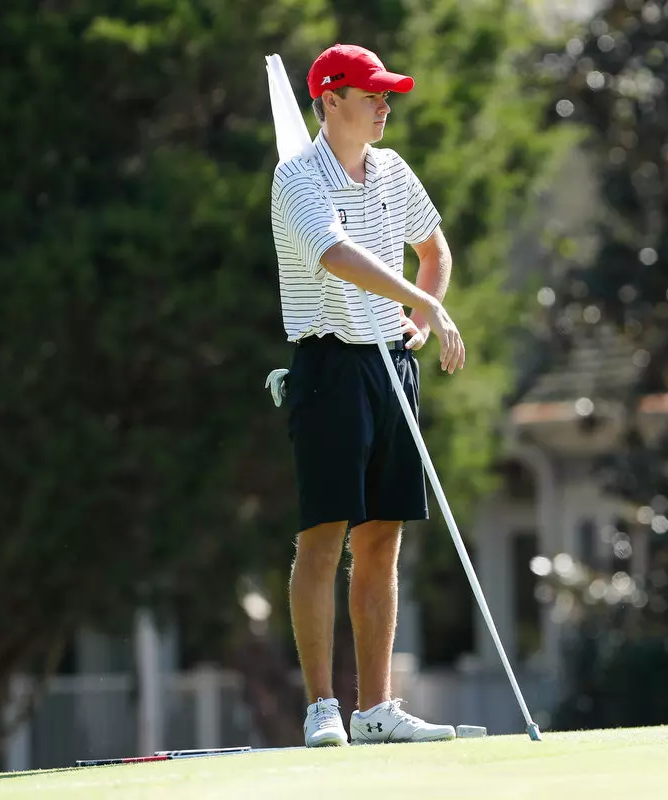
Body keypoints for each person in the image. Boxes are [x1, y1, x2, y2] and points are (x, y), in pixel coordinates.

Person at [268, 42, 466, 747]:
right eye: (372, 93)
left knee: (382, 539)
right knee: (323, 537)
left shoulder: (392, 170)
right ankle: (323, 706)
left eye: (388, 94)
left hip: (391, 366)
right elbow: (337, 258)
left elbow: (435, 250)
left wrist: (420, 314)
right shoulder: (297, 179)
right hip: (327, 367)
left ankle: (376, 709)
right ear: (330, 100)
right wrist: (425, 304)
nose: (386, 104)